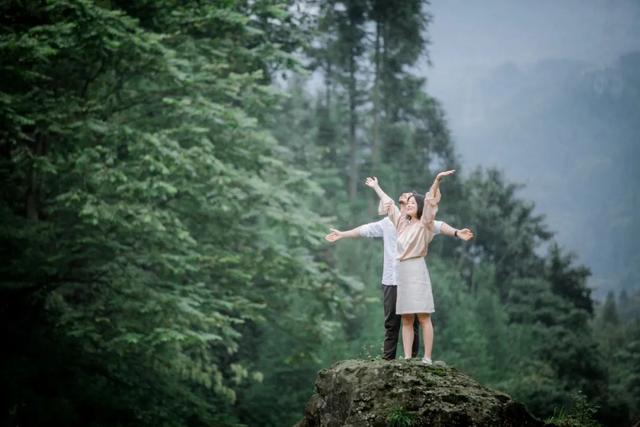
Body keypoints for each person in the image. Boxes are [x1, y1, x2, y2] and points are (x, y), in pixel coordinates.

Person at [325, 190, 473, 361]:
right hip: (391, 278)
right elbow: (364, 230)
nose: (405, 203)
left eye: (409, 201)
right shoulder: (388, 222)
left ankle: (413, 359)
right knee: (392, 323)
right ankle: (389, 359)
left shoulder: (422, 223)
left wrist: (456, 232)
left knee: (414, 320)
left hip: (411, 277)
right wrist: (342, 234)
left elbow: (439, 225)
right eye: (403, 201)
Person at [365, 170, 472, 364]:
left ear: (420, 208)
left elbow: (431, 201)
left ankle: (427, 357)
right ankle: (407, 358)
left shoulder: (425, 224)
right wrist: (376, 187)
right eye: (408, 203)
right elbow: (389, 205)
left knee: (423, 316)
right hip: (401, 272)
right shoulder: (400, 224)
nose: (408, 205)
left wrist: (437, 181)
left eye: (413, 203)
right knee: (406, 318)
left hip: (416, 269)